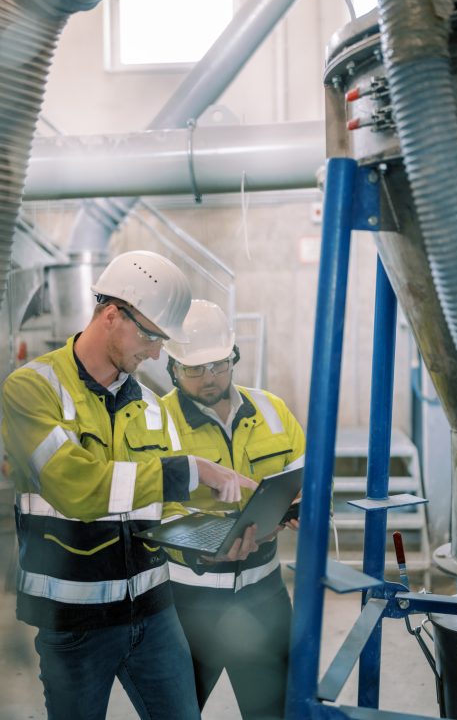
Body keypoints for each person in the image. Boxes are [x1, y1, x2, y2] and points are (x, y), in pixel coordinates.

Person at [1, 251, 257, 720]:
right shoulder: (31, 389)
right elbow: (78, 487)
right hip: (73, 622)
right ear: (112, 314)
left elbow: (158, 500)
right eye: (152, 337)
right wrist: (195, 469)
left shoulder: (153, 407)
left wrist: (240, 518)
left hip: (155, 614)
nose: (158, 353)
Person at [162, 299, 306, 720]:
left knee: (275, 713)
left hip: (265, 597)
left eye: (219, 365)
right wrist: (201, 543)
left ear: (233, 358)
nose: (209, 378)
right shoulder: (154, 421)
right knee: (177, 712)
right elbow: (146, 508)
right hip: (186, 603)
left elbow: (308, 476)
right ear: (172, 366)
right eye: (194, 368)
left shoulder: (272, 411)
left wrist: (302, 508)